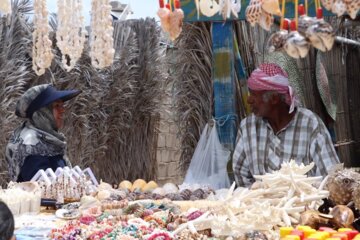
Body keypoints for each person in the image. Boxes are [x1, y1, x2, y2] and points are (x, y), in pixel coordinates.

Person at [232, 63, 340, 187]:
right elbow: (240, 176)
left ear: (274, 99)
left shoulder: (310, 125)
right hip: (261, 204)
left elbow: (330, 178)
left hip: (305, 204)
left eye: (254, 95)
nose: (249, 100)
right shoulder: (248, 127)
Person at [5, 84, 80, 182]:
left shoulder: (48, 140)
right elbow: (43, 189)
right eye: (57, 106)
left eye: (62, 105)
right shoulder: (31, 144)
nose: (62, 110)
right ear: (43, 112)